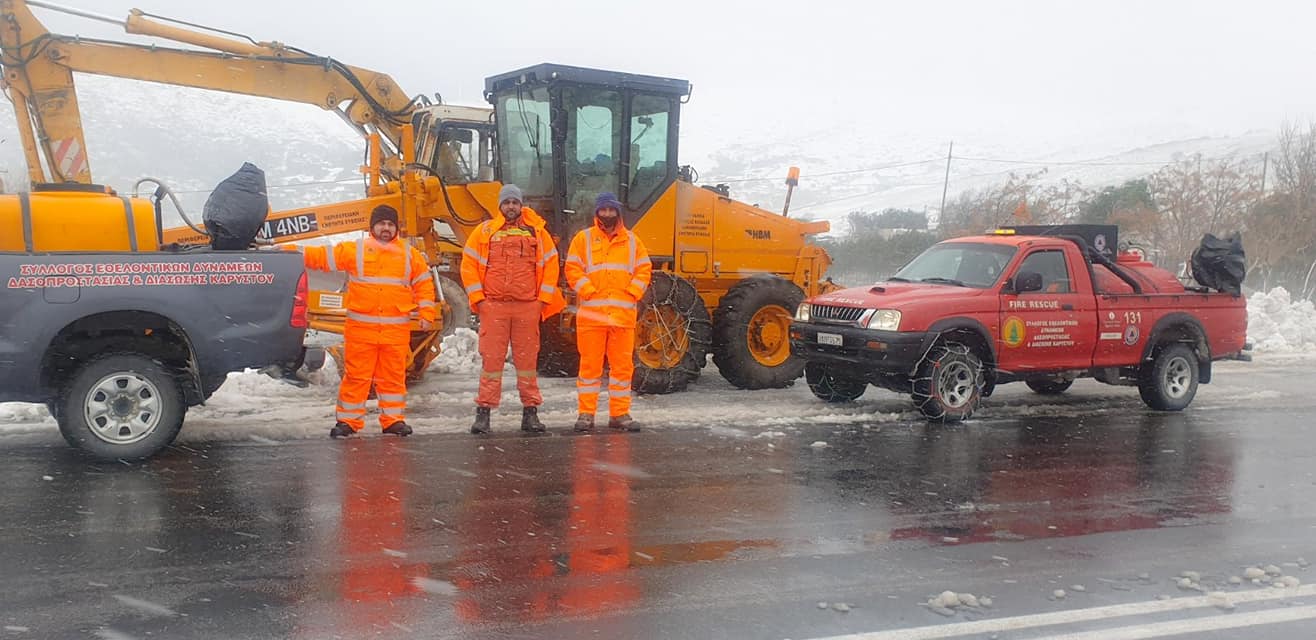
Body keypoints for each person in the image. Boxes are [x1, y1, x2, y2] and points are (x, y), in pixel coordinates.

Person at [295, 204, 436, 438]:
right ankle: (348, 422)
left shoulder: (409, 255)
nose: (386, 228)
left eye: (390, 224)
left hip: (394, 331)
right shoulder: (356, 250)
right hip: (362, 330)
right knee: (356, 377)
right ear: (372, 227)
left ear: (396, 228)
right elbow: (320, 257)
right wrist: (288, 251)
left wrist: (427, 314)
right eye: (381, 223)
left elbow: (423, 285)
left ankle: (393, 421)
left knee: (392, 378)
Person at [461, 184, 566, 434]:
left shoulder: (537, 233)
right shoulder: (484, 231)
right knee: (491, 362)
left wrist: (542, 301)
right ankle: (483, 414)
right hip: (494, 307)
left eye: (514, 202)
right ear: (500, 205)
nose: (511, 206)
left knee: (528, 363)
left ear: (521, 205)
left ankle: (530, 414)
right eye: (506, 202)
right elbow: (469, 265)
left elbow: (551, 266)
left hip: (527, 307)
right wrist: (480, 300)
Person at [564, 192, 652, 432]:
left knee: (622, 368)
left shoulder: (633, 241)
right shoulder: (583, 239)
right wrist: (589, 290)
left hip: (622, 318)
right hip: (592, 317)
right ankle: (586, 414)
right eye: (603, 210)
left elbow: (644, 270)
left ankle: (620, 414)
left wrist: (633, 292)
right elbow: (572, 269)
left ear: (618, 213)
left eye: (611, 210)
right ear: (597, 212)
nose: (607, 214)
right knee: (590, 368)